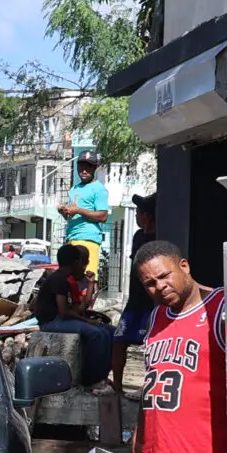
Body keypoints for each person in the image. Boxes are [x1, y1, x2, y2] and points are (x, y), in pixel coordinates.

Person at [132, 238, 227, 453]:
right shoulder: (156, 316)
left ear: (184, 266)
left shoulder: (222, 307)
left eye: (164, 276)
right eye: (149, 283)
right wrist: (138, 441)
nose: (159, 286)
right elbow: (151, 384)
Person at [29, 243, 114, 386]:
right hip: (52, 322)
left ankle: (103, 375)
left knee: (110, 332)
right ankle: (91, 379)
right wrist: (87, 322)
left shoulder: (62, 278)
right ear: (76, 262)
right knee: (96, 334)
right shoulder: (60, 279)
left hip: (59, 319)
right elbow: (63, 311)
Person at [111, 193, 159, 386]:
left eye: (139, 212)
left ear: (147, 215)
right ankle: (116, 387)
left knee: (152, 346)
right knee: (118, 341)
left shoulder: (161, 237)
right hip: (134, 302)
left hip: (152, 303)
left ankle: (149, 388)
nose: (137, 216)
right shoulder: (138, 236)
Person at [56, 150, 111, 281]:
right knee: (70, 281)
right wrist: (64, 212)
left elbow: (103, 216)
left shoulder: (99, 189)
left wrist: (78, 210)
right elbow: (71, 216)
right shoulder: (74, 189)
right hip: (72, 237)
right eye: (81, 166)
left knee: (88, 280)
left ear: (95, 168)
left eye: (88, 167)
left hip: (88, 239)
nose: (84, 170)